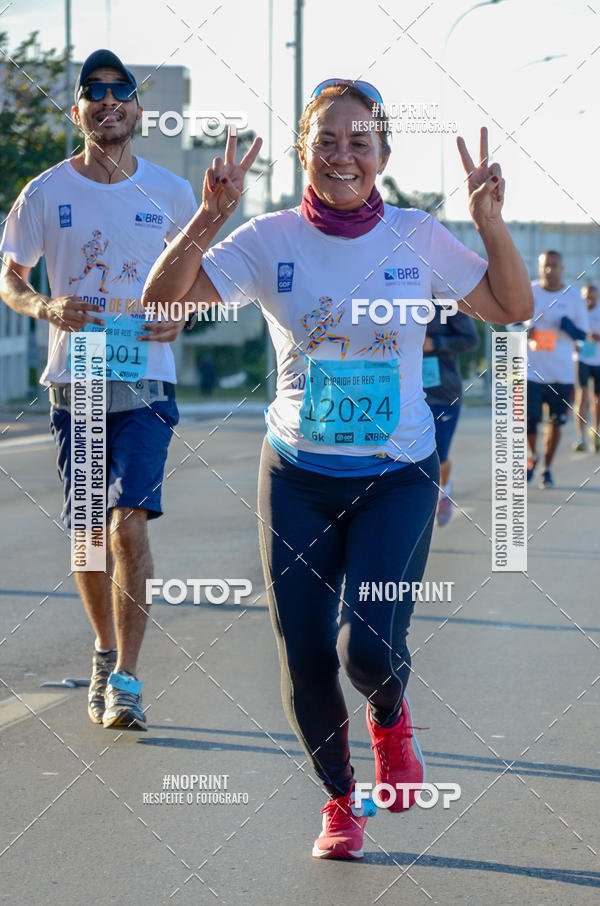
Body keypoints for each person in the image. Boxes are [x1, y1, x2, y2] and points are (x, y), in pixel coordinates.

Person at [142, 80, 532, 859]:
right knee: (307, 655)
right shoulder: (267, 238)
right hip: (296, 475)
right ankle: (341, 804)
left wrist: (490, 224)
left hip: (396, 476)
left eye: (360, 141)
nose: (342, 155)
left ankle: (391, 719)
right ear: (303, 152)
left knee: (368, 652)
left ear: (383, 155)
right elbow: (159, 311)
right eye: (326, 140)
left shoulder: (420, 237)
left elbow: (511, 309)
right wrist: (206, 218)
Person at [0, 50, 197, 730]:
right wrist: (43, 309)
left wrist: (183, 313)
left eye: (121, 91)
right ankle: (104, 648)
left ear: (138, 110)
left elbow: (197, 281)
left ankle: (128, 679)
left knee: (127, 523)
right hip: (75, 383)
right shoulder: (46, 192)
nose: (108, 100)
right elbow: (10, 278)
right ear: (78, 109)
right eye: (94, 91)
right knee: (87, 534)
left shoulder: (171, 192)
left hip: (145, 380)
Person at [526, 251, 590, 487]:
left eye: (555, 266)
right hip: (531, 372)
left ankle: (547, 468)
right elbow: (510, 322)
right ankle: (533, 455)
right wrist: (524, 329)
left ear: (562, 268)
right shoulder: (529, 292)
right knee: (529, 422)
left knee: (555, 424)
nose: (550, 270)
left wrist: (569, 327)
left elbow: (583, 336)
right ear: (540, 268)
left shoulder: (573, 297)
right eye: (546, 266)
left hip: (561, 375)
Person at [423, 307, 479, 525]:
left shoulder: (446, 303)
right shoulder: (395, 299)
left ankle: (444, 491)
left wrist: (436, 343)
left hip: (442, 393)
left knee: (439, 454)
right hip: (401, 390)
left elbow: (470, 339)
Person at [573, 284, 600, 452]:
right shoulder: (576, 312)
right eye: (585, 297)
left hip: (598, 361)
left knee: (597, 400)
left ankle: (595, 432)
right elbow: (567, 333)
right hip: (581, 359)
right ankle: (580, 438)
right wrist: (573, 343)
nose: (588, 299)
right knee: (581, 396)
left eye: (592, 296)